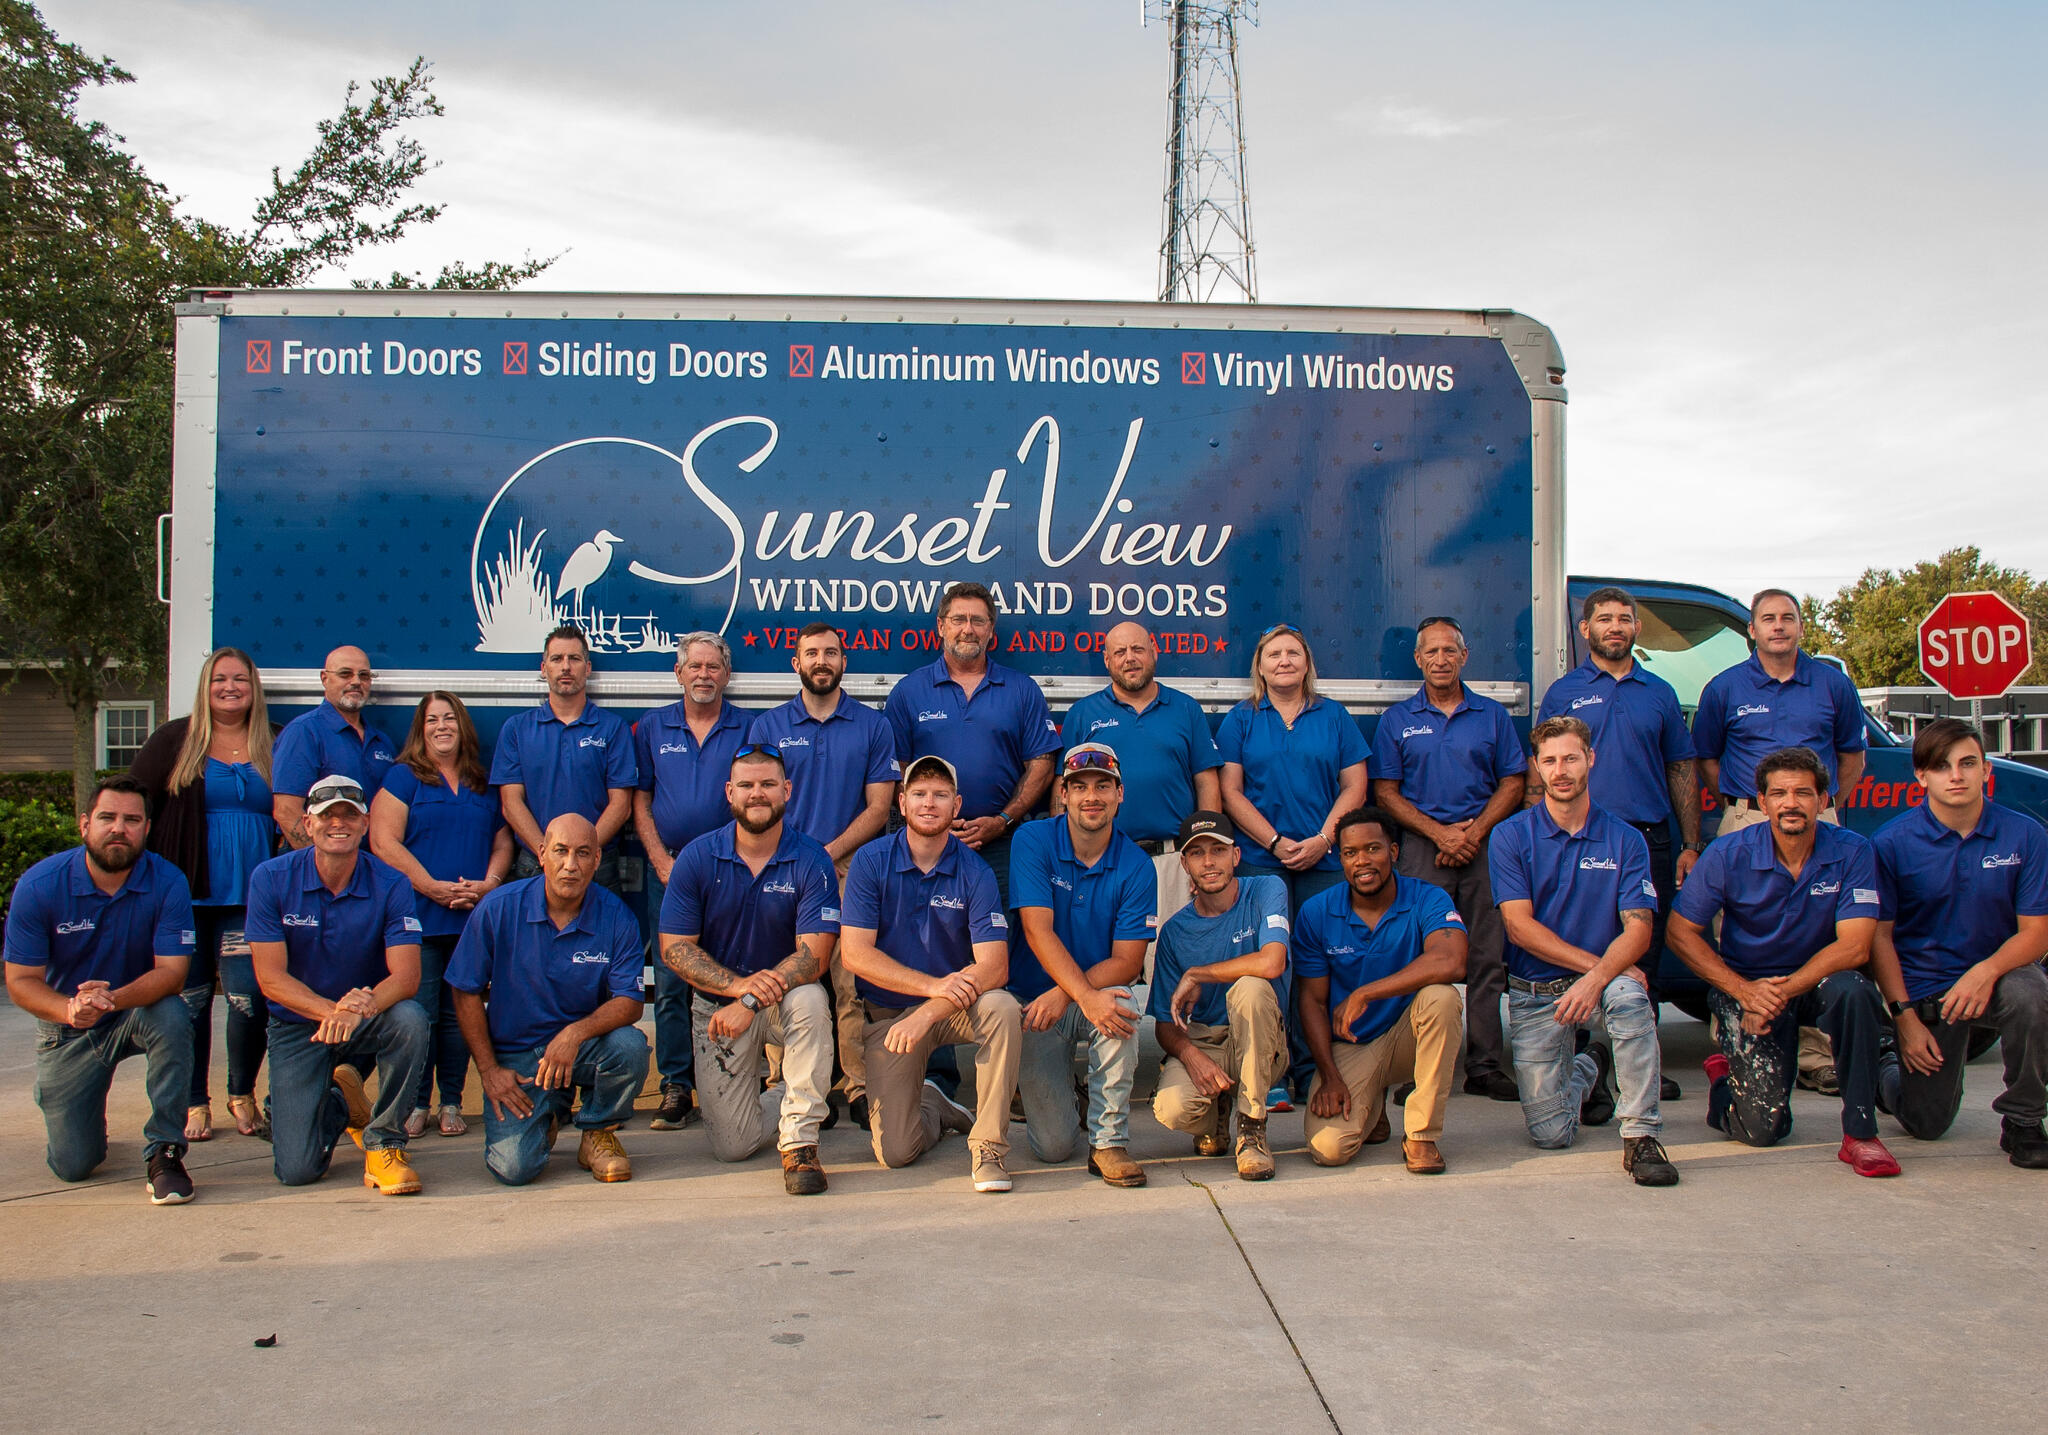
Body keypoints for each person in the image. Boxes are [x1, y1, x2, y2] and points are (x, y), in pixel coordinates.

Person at [1668, 746, 1900, 1176]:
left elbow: (1855, 947)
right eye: (1779, 794)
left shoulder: (1854, 851)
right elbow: (1680, 932)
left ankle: (1861, 1135)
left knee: (1857, 991)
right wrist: (1744, 993)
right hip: (1748, 985)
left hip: (1816, 982)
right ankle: (1725, 1081)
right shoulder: (1727, 852)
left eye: (1803, 793)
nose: (1791, 803)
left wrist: (1779, 993)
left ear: (1823, 801)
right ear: (1762, 802)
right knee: (1762, 1130)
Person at [1489, 717, 1680, 1186]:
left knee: (1632, 998)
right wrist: (1596, 970)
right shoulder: (1511, 836)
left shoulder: (1626, 839)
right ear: (1535, 767)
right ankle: (1590, 1065)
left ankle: (1641, 1137)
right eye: (1549, 761)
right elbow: (1519, 928)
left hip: (1604, 980)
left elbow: (1639, 931)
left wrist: (1598, 981)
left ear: (1590, 760)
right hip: (1538, 993)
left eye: (1571, 758)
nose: (1561, 770)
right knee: (1552, 1134)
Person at [1692, 588, 1868, 1094]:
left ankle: (1813, 1052)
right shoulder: (1724, 688)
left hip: (1816, 819)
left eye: (1787, 618)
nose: (1777, 626)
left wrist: (1825, 804)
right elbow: (1708, 759)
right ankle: (1735, 1035)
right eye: (1767, 618)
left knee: (1820, 933)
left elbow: (1851, 756)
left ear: (1800, 627)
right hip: (1747, 818)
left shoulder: (1833, 686)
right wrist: (1743, 806)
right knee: (1734, 933)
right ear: (1751, 629)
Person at [1535, 585, 1701, 1100]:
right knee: (1586, 947)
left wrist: (1690, 842)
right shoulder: (1564, 691)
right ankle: (1585, 1059)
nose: (1614, 626)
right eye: (1603, 618)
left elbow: (1681, 767)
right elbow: (1540, 766)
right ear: (1585, 630)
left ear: (1636, 628)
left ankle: (1639, 1060)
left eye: (1623, 618)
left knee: (1641, 951)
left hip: (1647, 840)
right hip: (1578, 840)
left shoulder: (1660, 692)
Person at [4, 777, 198, 1204]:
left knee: (172, 1013)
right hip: (68, 1027)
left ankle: (165, 1150)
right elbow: (20, 981)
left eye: (132, 820)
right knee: (74, 1164)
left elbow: (172, 973)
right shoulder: (40, 885)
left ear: (147, 828)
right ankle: (79, 1109)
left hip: (134, 1010)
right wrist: (71, 1008)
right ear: (84, 825)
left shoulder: (167, 881)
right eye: (108, 818)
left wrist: (112, 999)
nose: (119, 828)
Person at [658, 747, 840, 1194]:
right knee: (733, 1146)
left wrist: (752, 999)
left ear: (787, 791)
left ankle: (800, 1144)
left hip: (780, 1003)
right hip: (719, 1010)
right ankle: (795, 1096)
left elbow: (814, 956)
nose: (757, 794)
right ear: (730, 792)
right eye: (746, 785)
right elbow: (674, 949)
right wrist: (739, 989)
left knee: (812, 999)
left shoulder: (812, 859)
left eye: (767, 784)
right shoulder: (698, 858)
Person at [1869, 718, 2048, 1167]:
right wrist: (1905, 1020)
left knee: (2032, 994)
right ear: (1921, 776)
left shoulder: (2025, 835)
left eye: (1968, 763)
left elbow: (2037, 934)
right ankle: (1886, 1070)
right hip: (1926, 991)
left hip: (1999, 976)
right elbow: (1880, 939)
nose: (1956, 775)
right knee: (1926, 1125)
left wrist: (1986, 971)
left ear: (1988, 770)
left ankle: (2025, 1120)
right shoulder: (1891, 843)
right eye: (1942, 765)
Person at [839, 755, 1023, 1192]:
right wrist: (927, 989)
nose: (929, 803)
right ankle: (936, 1106)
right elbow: (855, 955)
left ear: (956, 805)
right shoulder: (870, 861)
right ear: (901, 803)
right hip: (891, 1015)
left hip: (954, 1008)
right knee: (896, 1153)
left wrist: (929, 1008)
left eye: (940, 795)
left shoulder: (974, 870)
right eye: (919, 794)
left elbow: (995, 966)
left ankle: (990, 1149)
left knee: (1002, 1007)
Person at [747, 620, 899, 1128]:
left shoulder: (873, 726)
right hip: (783, 866)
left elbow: (880, 807)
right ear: (796, 663)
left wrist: (827, 852)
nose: (821, 661)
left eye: (830, 653)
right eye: (811, 653)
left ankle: (856, 1084)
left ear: (843, 662)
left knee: (851, 980)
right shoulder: (768, 728)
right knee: (784, 979)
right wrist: (806, 858)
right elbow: (759, 801)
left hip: (851, 867)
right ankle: (789, 1083)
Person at [246, 774, 430, 1193]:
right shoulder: (270, 878)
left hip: (366, 1016)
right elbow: (270, 978)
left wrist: (356, 1010)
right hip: (298, 1025)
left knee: (411, 1019)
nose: (338, 824)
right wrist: (333, 1011)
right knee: (297, 1170)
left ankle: (384, 1142)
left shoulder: (392, 882)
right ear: (307, 824)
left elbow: (406, 977)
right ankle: (338, 1104)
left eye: (350, 814)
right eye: (327, 815)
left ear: (366, 824)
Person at [1371, 615, 1528, 1102]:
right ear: (1418, 659)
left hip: (1483, 848)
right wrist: (1439, 832)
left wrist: (1475, 832)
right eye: (1431, 653)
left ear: (1465, 656)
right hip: (1422, 848)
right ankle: (1418, 1065)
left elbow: (1514, 782)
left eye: (1450, 651)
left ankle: (1482, 1065)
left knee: (1487, 957)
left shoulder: (1493, 716)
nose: (1441, 660)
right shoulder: (1398, 719)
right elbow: (1385, 792)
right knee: (1420, 958)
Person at [447, 815, 650, 1186]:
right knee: (515, 1169)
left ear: (597, 860)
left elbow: (630, 1002)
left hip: (582, 1050)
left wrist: (573, 1035)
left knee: (630, 1046)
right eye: (561, 851)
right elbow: (464, 989)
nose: (570, 865)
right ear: (542, 854)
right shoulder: (498, 908)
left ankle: (598, 1130)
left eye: (582, 854)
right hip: (518, 1058)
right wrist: (490, 1071)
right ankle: (550, 1113)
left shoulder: (617, 916)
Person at [129, 646, 280, 1141]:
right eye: (220, 679)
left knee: (248, 998)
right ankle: (195, 1100)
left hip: (249, 897)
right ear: (205, 686)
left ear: (253, 687)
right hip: (185, 896)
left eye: (240, 679)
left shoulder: (274, 742)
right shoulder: (175, 739)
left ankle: (242, 1093)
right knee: (188, 1002)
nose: (230, 687)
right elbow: (134, 802)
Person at [1217, 623, 1370, 1106]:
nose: (1284, 661)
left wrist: (1325, 839)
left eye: (1293, 653)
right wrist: (1276, 841)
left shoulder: (1335, 716)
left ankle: (1316, 1068)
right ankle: (1272, 1068)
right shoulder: (1241, 719)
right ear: (1259, 666)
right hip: (1263, 861)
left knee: (1317, 966)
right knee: (1268, 967)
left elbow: (1355, 785)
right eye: (1273, 654)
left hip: (1323, 862)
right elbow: (1230, 791)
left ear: (1307, 663)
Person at [1008, 744, 1157, 1187]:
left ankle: (1109, 1142)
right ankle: (1069, 1099)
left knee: (1122, 1004)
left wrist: (1072, 994)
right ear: (1063, 795)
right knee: (1052, 1148)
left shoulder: (1136, 864)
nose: (1091, 796)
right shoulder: (1032, 840)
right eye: (1080, 787)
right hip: (1034, 1006)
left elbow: (1129, 962)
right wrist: (1073, 994)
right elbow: (1037, 932)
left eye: (1102, 786)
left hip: (1070, 997)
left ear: (1119, 794)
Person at [370, 692, 515, 1139]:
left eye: (449, 718)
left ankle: (452, 1101)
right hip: (419, 917)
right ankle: (416, 1103)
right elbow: (383, 841)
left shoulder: (480, 781)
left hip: (470, 918)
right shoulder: (403, 778)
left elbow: (503, 843)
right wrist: (429, 885)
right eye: (432, 720)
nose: (441, 726)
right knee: (420, 1014)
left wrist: (489, 886)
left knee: (460, 1015)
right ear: (421, 728)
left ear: (462, 725)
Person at [1296, 807, 1467, 1175]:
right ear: (1340, 859)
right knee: (1329, 1148)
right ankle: (1372, 1108)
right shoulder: (1317, 912)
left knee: (1443, 998)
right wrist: (1329, 1075)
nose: (1362, 861)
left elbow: (1451, 960)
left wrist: (1365, 993)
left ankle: (1421, 1135)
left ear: (1393, 851)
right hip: (1353, 1042)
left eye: (1372, 849)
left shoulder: (1428, 898)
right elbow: (1312, 1000)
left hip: (1410, 1035)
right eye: (1350, 853)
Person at [634, 631, 750, 1131]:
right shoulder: (651, 727)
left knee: (730, 972)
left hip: (730, 871)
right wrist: (660, 859)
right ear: (678, 673)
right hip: (670, 870)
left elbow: (754, 798)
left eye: (713, 667)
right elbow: (639, 798)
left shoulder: (749, 727)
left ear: (726, 675)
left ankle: (729, 1077)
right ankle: (677, 1085)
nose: (704, 675)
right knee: (671, 980)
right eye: (694, 666)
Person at [883, 581, 1060, 903]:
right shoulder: (909, 691)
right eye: (958, 619)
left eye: (978, 621)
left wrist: (1002, 821)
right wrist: (932, 822)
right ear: (941, 626)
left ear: (991, 629)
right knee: (929, 942)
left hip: (1004, 847)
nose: (968, 629)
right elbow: (897, 771)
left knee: (1000, 938)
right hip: (929, 844)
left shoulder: (1021, 689)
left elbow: (1042, 765)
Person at [1148, 811, 1291, 1181]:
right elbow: (1166, 1023)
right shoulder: (1176, 930)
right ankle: (1219, 1113)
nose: (1209, 862)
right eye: (1197, 854)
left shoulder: (1266, 890)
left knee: (1252, 987)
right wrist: (1192, 1057)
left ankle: (1252, 1128)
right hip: (1207, 1040)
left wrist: (1199, 973)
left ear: (1236, 856)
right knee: (1171, 1108)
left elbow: (1273, 961)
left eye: (1218, 850)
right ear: (1184, 863)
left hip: (1261, 1039)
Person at [1062, 620, 1222, 924]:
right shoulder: (1082, 715)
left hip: (1173, 861)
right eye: (1119, 652)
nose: (1129, 658)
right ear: (1107, 661)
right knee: (1111, 961)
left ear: (1154, 652)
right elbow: (1063, 791)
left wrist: (1204, 855)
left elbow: (1207, 785)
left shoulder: (1186, 709)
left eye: (1137, 649)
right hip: (1102, 861)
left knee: (1171, 960)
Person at [493, 625, 636, 885]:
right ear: (544, 668)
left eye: (575, 658)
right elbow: (511, 803)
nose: (566, 667)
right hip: (535, 862)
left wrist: (583, 852)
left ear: (588, 668)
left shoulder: (614, 728)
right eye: (557, 659)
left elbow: (621, 805)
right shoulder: (516, 728)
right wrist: (547, 853)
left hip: (597, 864)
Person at [271, 644, 396, 845]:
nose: (356, 681)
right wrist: (324, 867)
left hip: (369, 867)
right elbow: (286, 811)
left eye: (364, 676)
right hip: (320, 867)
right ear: (324, 678)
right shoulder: (304, 732)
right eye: (345, 674)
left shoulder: (382, 742)